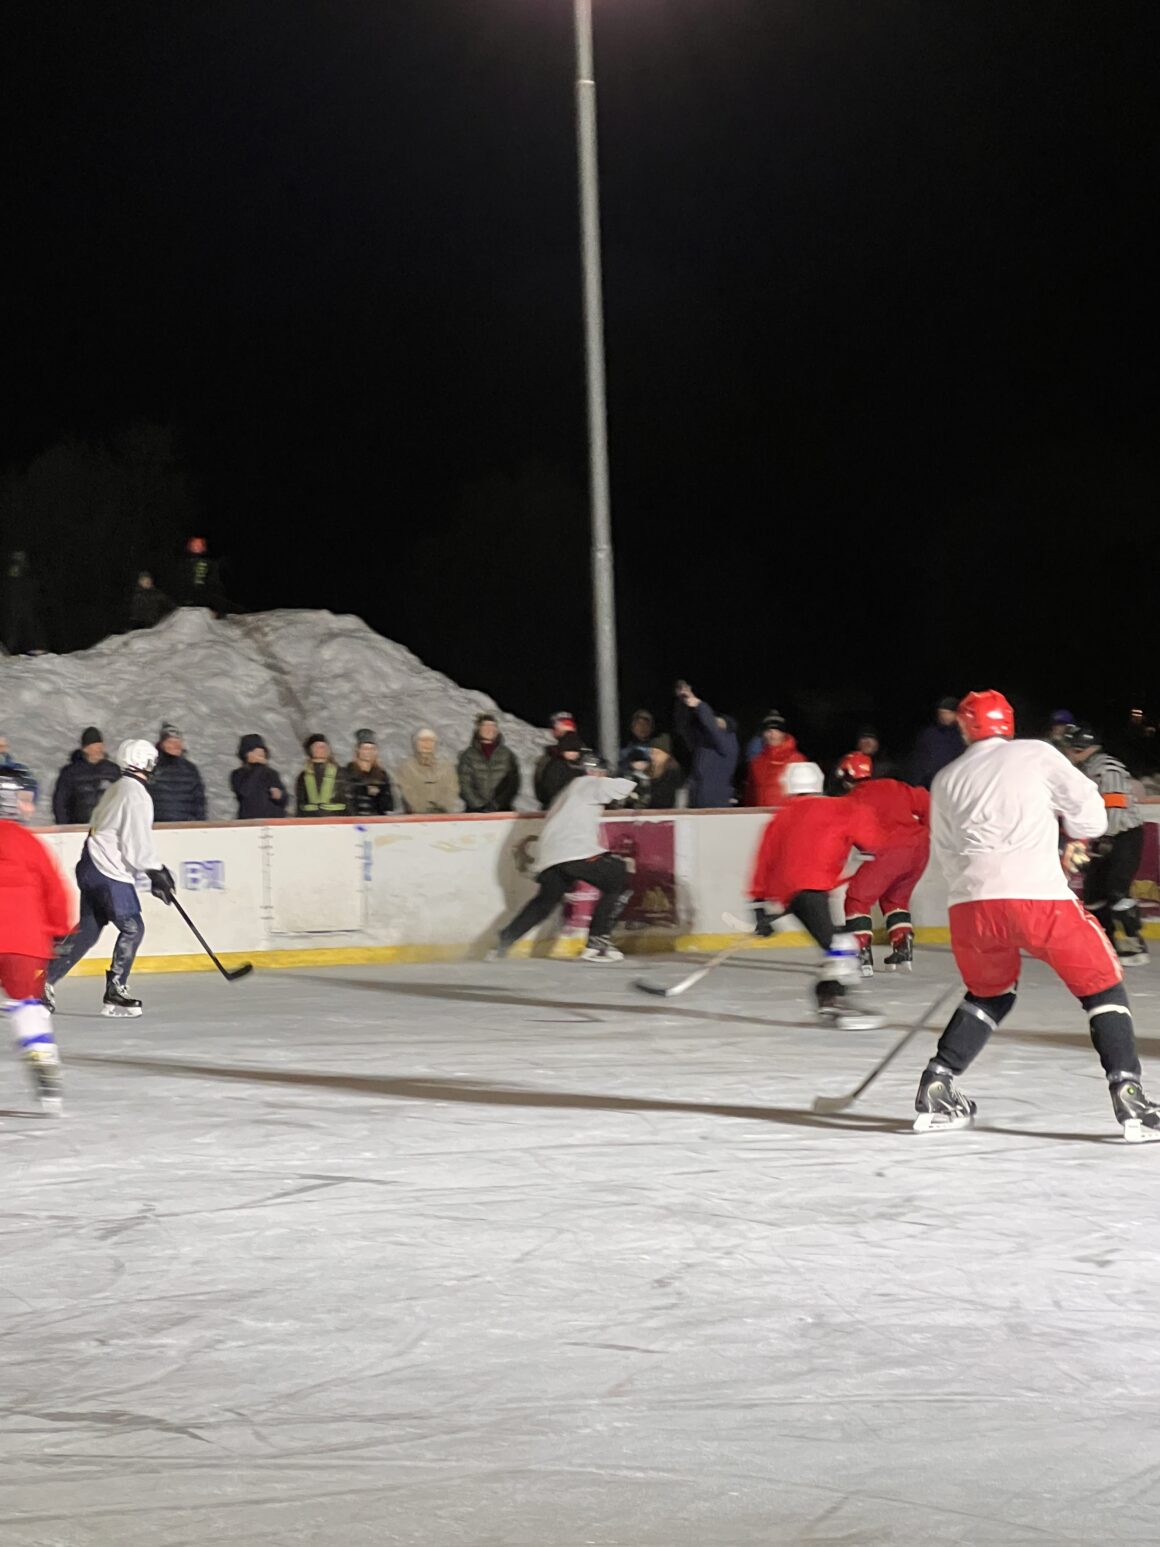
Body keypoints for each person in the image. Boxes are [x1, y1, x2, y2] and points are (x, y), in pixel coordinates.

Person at [911, 690, 1159, 1140]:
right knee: (1102, 986)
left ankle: (939, 1082)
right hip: (1038, 898)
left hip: (971, 908)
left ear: (966, 728)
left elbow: (944, 852)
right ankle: (1130, 1098)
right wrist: (1079, 836)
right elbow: (1091, 813)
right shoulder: (1036, 753)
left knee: (990, 994)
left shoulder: (946, 778)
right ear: (1006, 722)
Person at [749, 762, 889, 1029]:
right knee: (842, 946)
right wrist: (868, 849)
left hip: (793, 894)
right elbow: (872, 839)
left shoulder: (781, 816)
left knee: (837, 944)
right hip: (811, 891)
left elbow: (764, 861)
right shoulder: (839, 808)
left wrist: (758, 907)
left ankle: (828, 996)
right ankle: (832, 1000)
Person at [47, 739, 175, 1018]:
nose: (154, 767)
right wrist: (155, 871)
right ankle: (116, 991)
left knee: (88, 931)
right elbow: (136, 843)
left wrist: (152, 871)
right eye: (152, 762)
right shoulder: (137, 794)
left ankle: (42, 982)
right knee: (133, 927)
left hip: (90, 864)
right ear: (143, 762)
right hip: (108, 871)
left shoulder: (117, 787)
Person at [490, 755, 636, 963]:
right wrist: (635, 780)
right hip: (573, 851)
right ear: (595, 772)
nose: (602, 777)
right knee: (618, 877)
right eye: (601, 773)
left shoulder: (568, 792)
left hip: (550, 856)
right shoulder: (586, 784)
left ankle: (504, 941)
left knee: (544, 903)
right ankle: (597, 941)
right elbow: (613, 788)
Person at [0, 768, 73, 1111]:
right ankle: (42, 1058)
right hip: (24, 942)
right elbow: (55, 891)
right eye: (24, 800)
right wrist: (58, 930)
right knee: (27, 1005)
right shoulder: (29, 843)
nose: (28, 808)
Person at [837, 751, 931, 974]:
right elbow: (926, 801)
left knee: (857, 899)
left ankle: (860, 953)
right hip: (919, 849)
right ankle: (902, 945)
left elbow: (847, 835)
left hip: (888, 852)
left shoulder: (851, 800)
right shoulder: (892, 785)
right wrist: (924, 830)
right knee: (895, 899)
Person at [1062, 725, 1148, 966]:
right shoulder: (1085, 768)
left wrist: (1106, 837)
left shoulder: (1106, 768)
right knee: (1093, 894)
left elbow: (1115, 806)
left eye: (1070, 747)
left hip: (1123, 835)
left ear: (1080, 748)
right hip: (1103, 837)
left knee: (1117, 891)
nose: (1067, 752)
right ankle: (1104, 944)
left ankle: (1133, 944)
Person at [673, 681, 738, 808]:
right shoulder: (703, 744)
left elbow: (711, 726)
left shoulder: (728, 743)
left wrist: (698, 703)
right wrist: (683, 701)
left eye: (720, 722)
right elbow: (683, 728)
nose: (715, 723)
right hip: (697, 803)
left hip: (717, 805)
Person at [51, 727, 120, 826]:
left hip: (108, 826)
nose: (99, 749)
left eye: (100, 745)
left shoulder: (113, 771)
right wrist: (64, 827)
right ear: (85, 748)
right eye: (95, 745)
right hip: (78, 828)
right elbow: (60, 803)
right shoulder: (70, 773)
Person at [743, 711, 806, 808]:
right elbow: (750, 795)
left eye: (777, 731)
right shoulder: (756, 762)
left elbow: (805, 795)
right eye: (768, 731)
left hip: (787, 816)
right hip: (759, 817)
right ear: (763, 734)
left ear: (783, 733)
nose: (772, 735)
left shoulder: (797, 760)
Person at [458, 714, 520, 813]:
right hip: (474, 811)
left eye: (492, 726)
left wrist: (498, 804)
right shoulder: (468, 755)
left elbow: (513, 783)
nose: (489, 729)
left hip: (502, 810)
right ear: (478, 729)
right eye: (485, 726)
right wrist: (479, 805)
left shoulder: (507, 754)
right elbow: (464, 783)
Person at [150, 723, 207, 822]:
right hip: (157, 827)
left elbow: (199, 800)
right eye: (170, 742)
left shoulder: (190, 769)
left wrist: (199, 824)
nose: (176, 745)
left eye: (178, 741)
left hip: (185, 828)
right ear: (162, 744)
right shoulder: (151, 767)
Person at [396, 729, 461, 814]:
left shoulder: (446, 767)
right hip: (416, 817)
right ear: (415, 744)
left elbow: (452, 790)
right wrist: (423, 809)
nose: (427, 744)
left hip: (443, 815)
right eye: (423, 740)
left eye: (431, 741)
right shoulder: (406, 768)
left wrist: (443, 806)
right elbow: (407, 793)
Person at [908, 697, 964, 788]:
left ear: (956, 714)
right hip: (931, 784)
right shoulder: (929, 734)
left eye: (947, 713)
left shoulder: (964, 735)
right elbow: (919, 760)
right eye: (941, 713)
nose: (943, 716)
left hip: (956, 784)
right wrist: (917, 784)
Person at [230, 734, 288, 819]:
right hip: (250, 822)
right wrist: (258, 767)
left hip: (274, 821)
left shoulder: (272, 773)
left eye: (262, 751)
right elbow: (245, 792)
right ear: (247, 754)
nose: (261, 754)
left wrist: (280, 796)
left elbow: (284, 800)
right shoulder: (238, 774)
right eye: (256, 752)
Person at [1, 550, 45, 655]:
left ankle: (36, 647)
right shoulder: (14, 570)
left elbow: (30, 586)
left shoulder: (26, 570)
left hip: (24, 604)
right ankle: (9, 650)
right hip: (18, 605)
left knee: (28, 626)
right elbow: (12, 588)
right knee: (16, 628)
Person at [296, 735, 352, 816]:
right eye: (317, 747)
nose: (321, 749)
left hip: (337, 820)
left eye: (324, 746)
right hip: (312, 822)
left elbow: (348, 800)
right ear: (310, 750)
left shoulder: (341, 773)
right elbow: (301, 804)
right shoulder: (303, 776)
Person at [533, 712, 579, 807]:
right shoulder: (548, 759)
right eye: (561, 725)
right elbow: (542, 790)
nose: (565, 729)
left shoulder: (586, 759)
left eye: (568, 725)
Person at [619, 743, 683, 809]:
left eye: (657, 753)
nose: (653, 757)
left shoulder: (672, 770)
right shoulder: (639, 771)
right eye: (652, 753)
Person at [346, 730, 394, 816]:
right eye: (365, 748)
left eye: (372, 749)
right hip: (353, 821)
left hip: (376, 822)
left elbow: (388, 805)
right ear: (358, 750)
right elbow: (346, 801)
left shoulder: (382, 776)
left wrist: (379, 794)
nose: (368, 752)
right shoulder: (347, 772)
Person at [537, 729, 586, 809]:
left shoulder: (580, 766)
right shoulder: (556, 765)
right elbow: (550, 789)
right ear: (563, 751)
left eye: (575, 751)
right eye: (569, 751)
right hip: (556, 806)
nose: (573, 754)